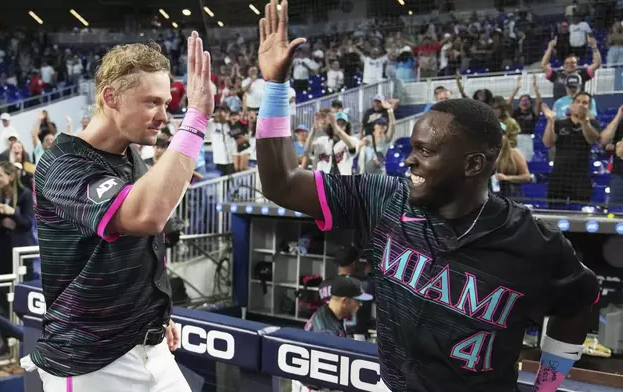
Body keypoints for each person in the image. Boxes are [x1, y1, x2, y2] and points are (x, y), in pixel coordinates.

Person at [255, 2, 599, 390]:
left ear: (472, 165)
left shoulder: (533, 242)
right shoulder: (384, 198)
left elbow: (581, 303)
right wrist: (275, 86)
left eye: (425, 152)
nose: (410, 162)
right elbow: (281, 182)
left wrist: (547, 385)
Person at [20, 32, 215, 392]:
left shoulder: (129, 156)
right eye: (152, 102)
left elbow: (143, 248)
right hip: (89, 362)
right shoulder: (63, 163)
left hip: (151, 349)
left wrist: (157, 314)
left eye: (167, 102)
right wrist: (196, 118)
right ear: (110, 97)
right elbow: (145, 217)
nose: (163, 115)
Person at [292, 275, 372, 392]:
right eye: (358, 300)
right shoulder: (326, 333)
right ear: (345, 301)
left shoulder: (329, 312)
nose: (360, 304)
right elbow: (324, 378)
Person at [0, 161, 36, 315]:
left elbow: (28, 223)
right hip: (3, 249)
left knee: (22, 290)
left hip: (21, 250)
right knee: (3, 289)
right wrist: (2, 223)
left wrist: (12, 212)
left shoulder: (25, 194)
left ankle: (23, 330)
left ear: (11, 176)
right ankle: (6, 334)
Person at [542, 93, 600, 207]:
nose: (580, 105)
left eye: (584, 103)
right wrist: (550, 121)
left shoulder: (593, 124)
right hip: (559, 175)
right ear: (572, 105)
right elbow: (548, 143)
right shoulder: (559, 123)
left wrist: (584, 120)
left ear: (589, 107)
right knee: (554, 211)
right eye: (577, 102)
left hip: (581, 177)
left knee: (580, 214)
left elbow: (591, 140)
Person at [600, 105, 623, 206]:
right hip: (619, 175)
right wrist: (619, 115)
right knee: (615, 213)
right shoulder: (620, 121)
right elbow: (604, 141)